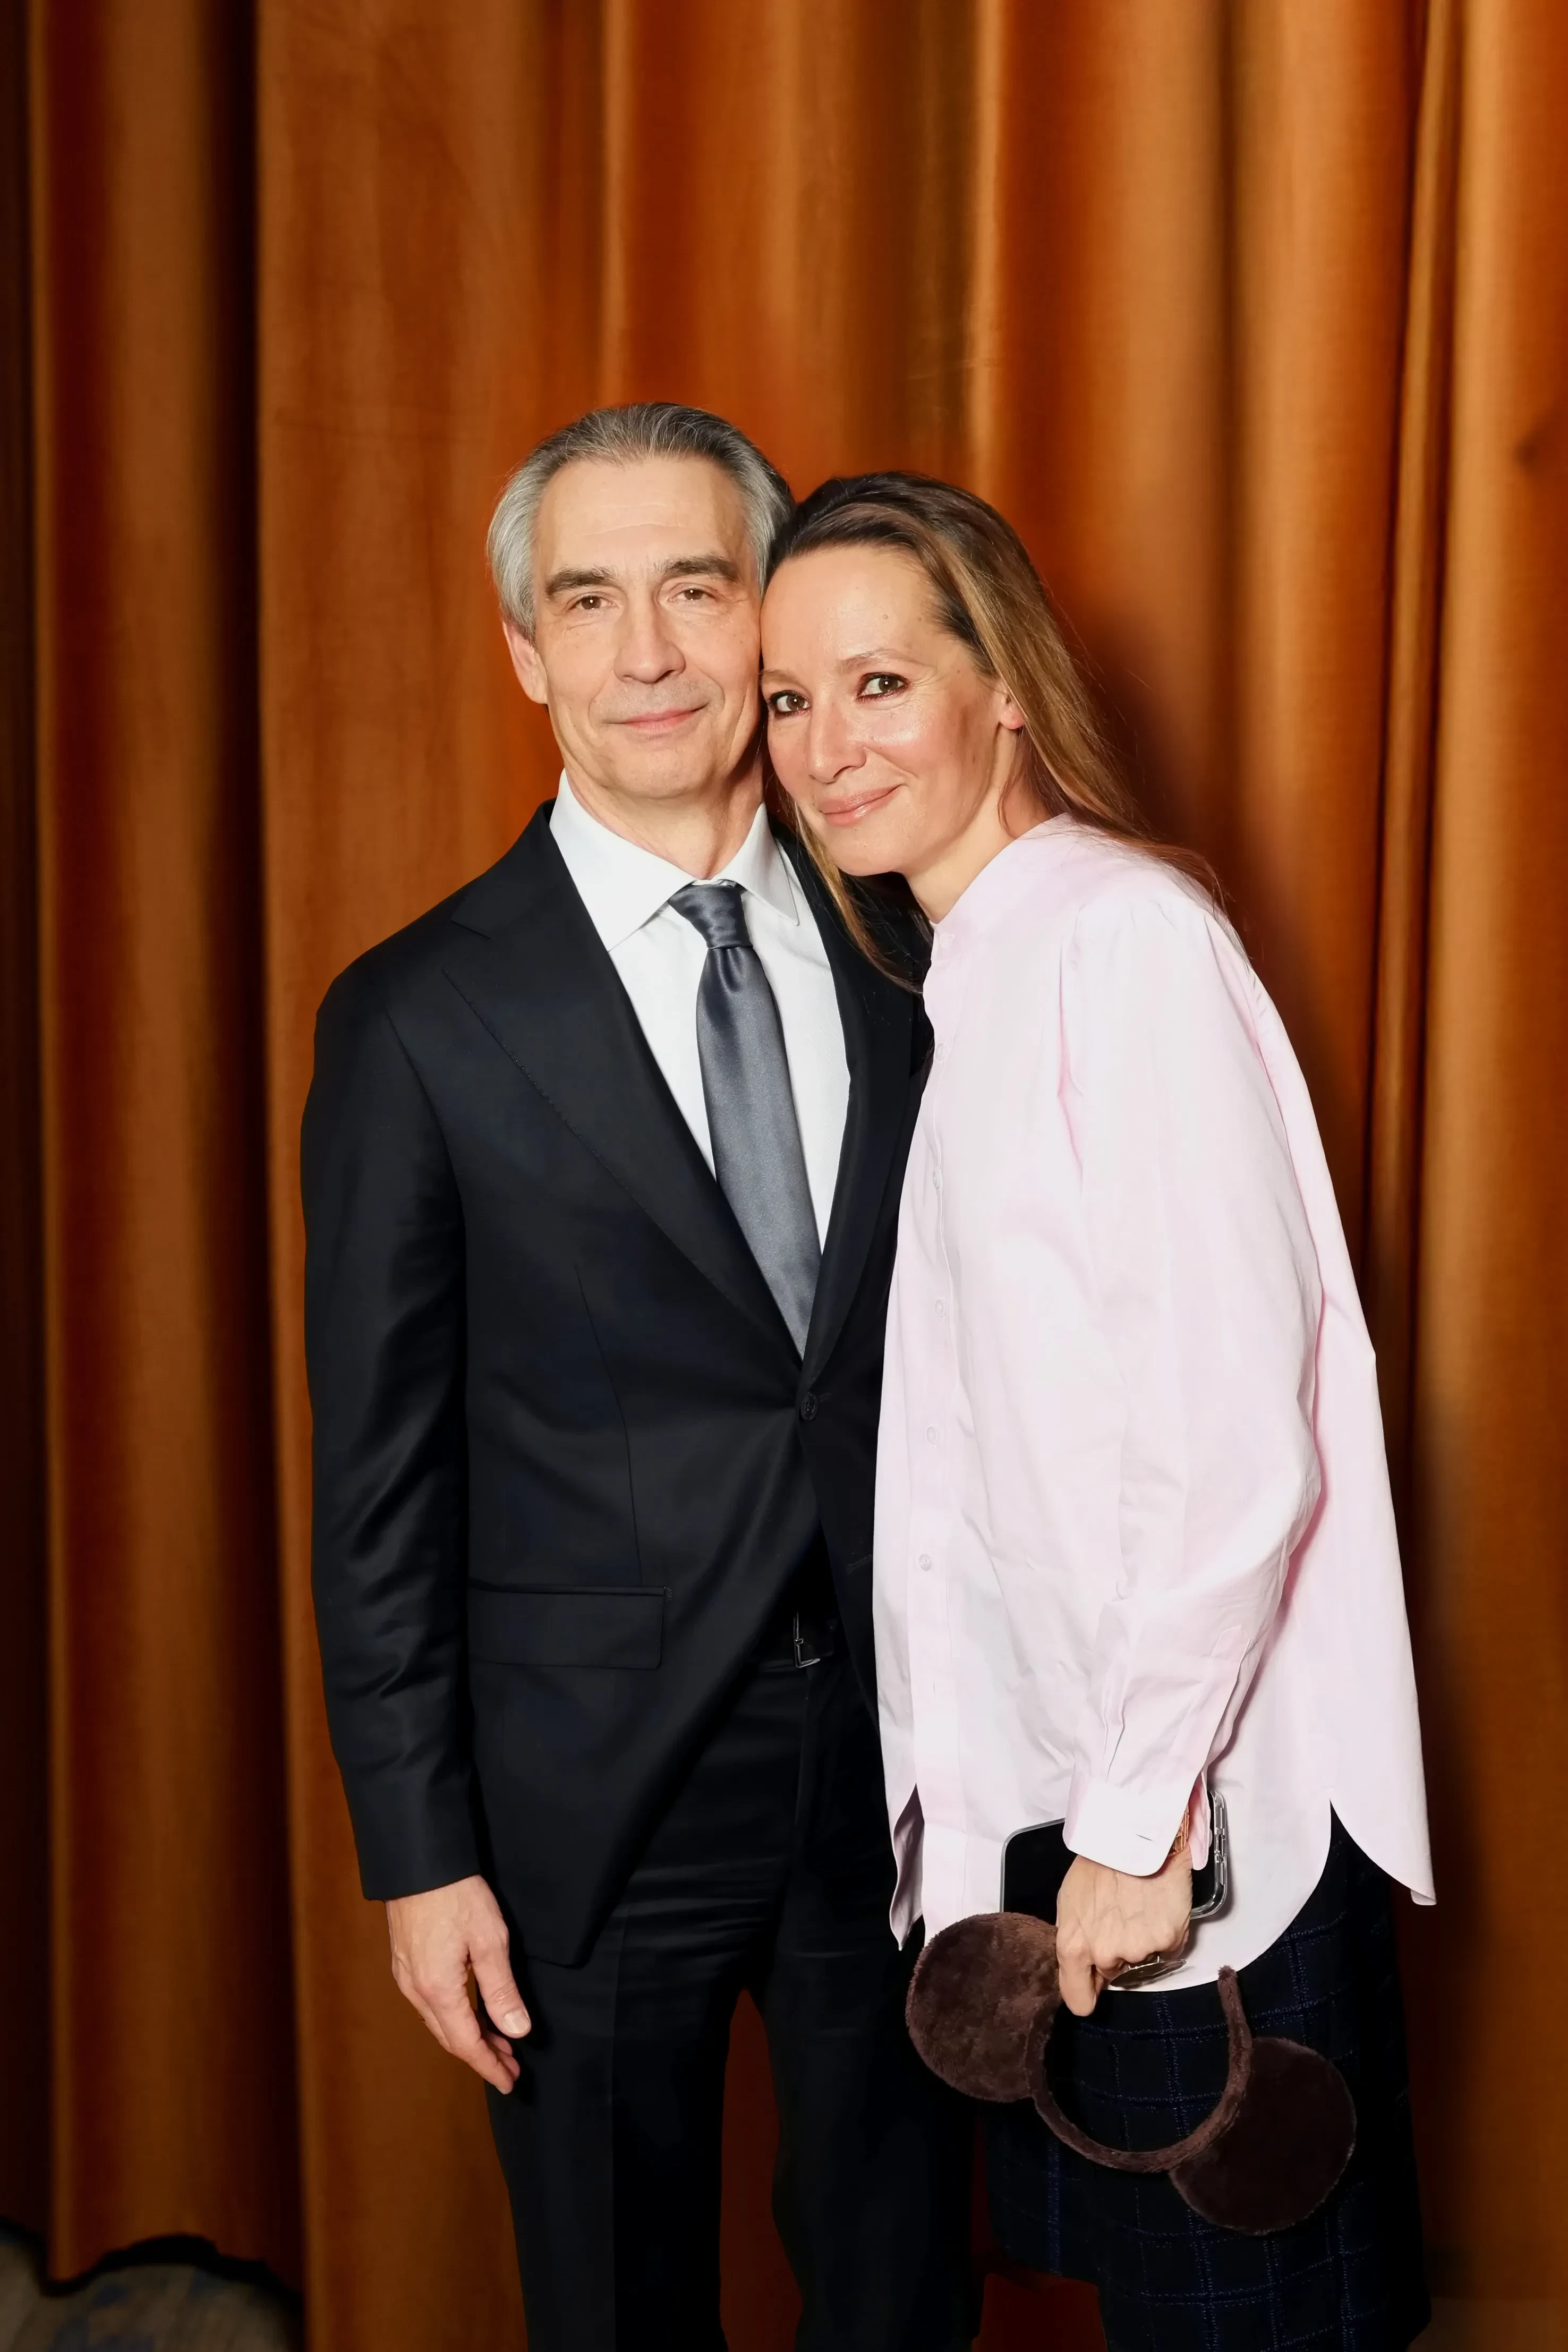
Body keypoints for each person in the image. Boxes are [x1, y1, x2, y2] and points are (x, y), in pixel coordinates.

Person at [302, 409, 973, 2352]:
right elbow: (380, 1480)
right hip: (583, 1802)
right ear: (527, 650)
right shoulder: (418, 1016)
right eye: (588, 601)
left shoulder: (918, 941)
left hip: (914, 1767)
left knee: (906, 2292)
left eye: (696, 585)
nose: (650, 651)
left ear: (770, 614)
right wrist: (421, 1853)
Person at [760, 470, 1435, 2351]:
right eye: (792, 699)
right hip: (1101, 1817)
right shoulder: (978, 963)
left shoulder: (1118, 940)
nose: (825, 746)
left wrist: (1136, 1819)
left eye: (880, 683)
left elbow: (1234, 1436)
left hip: (1191, 1824)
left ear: (1004, 686)